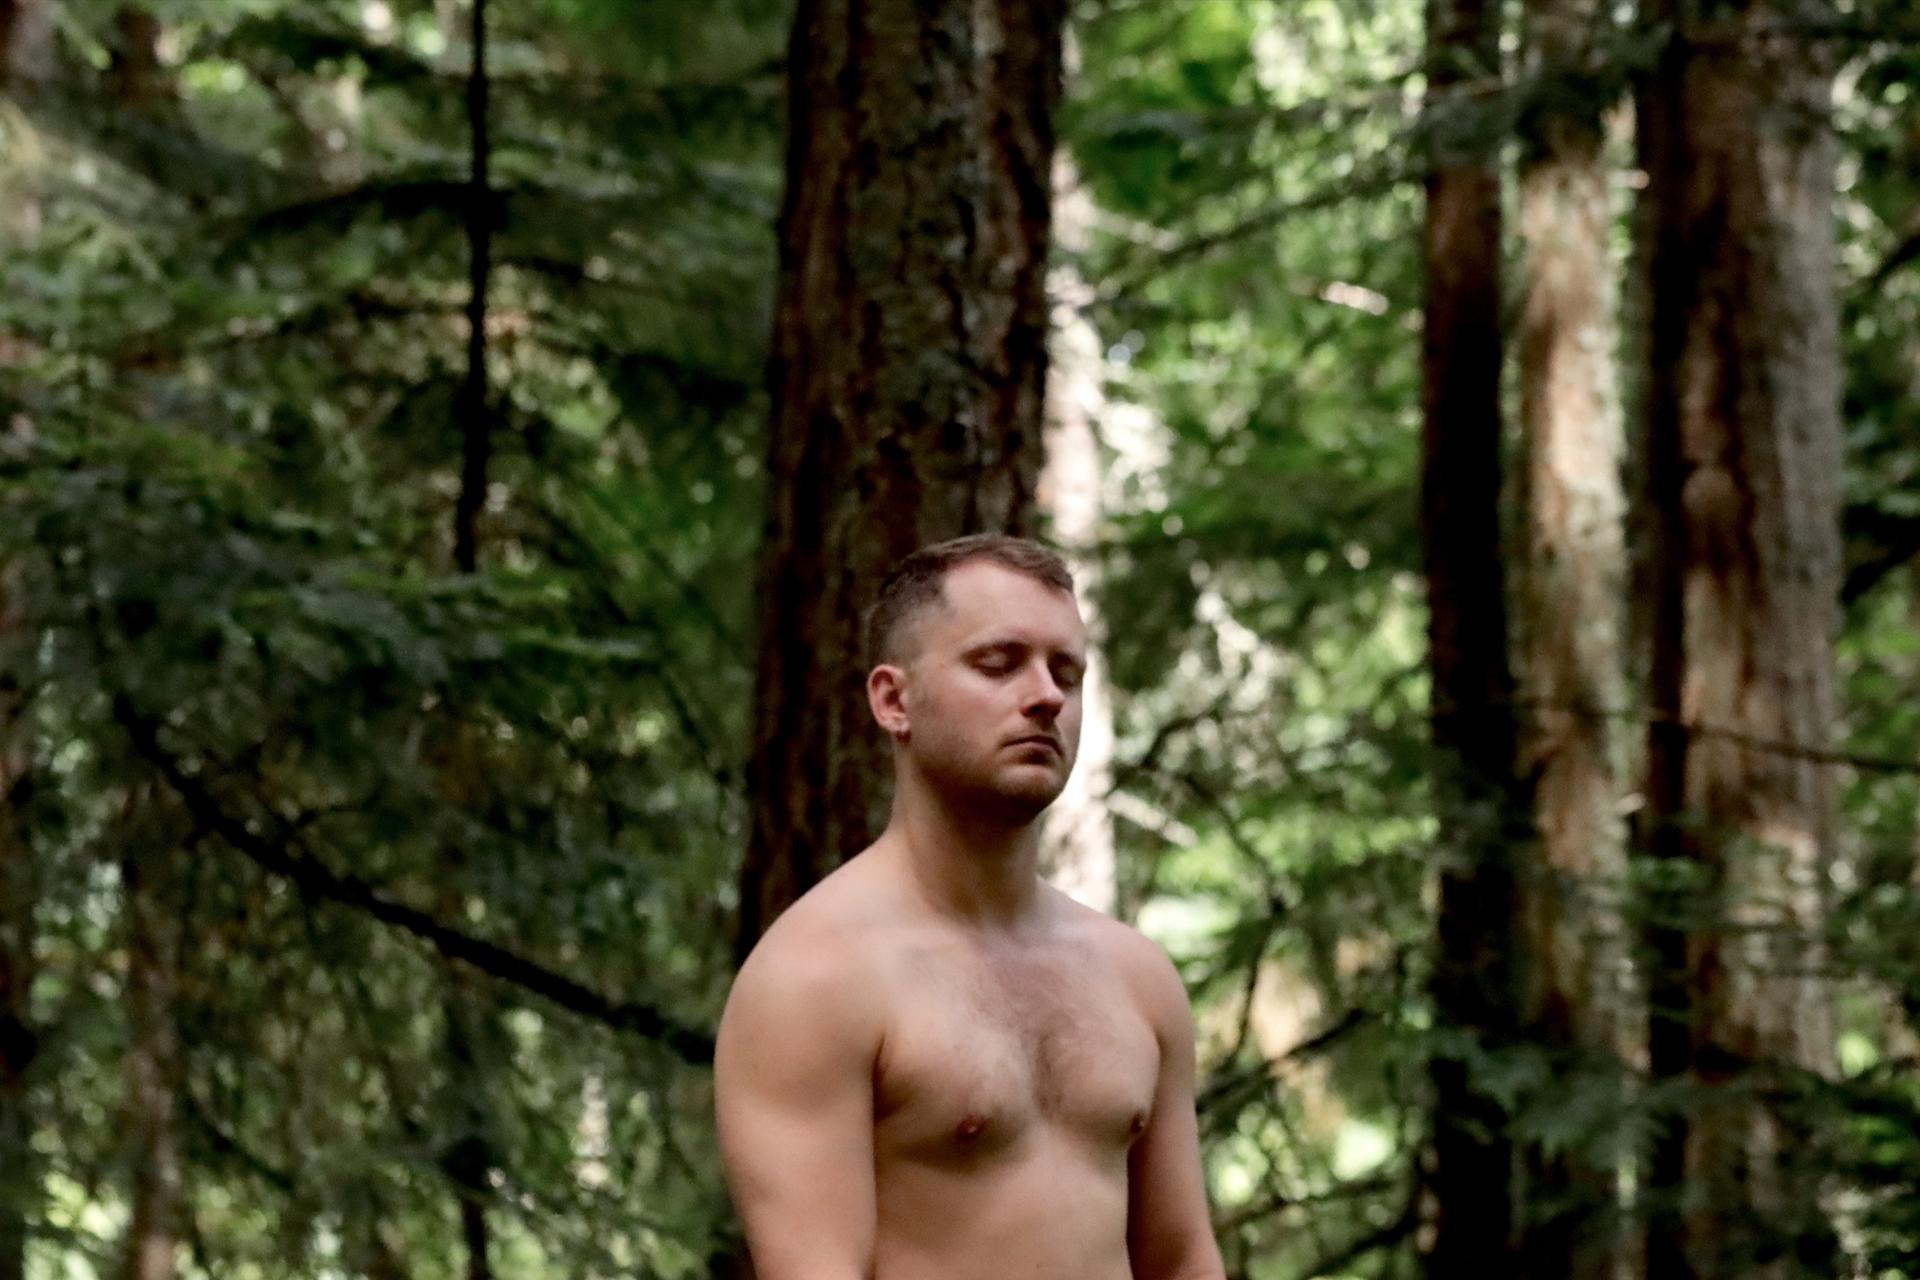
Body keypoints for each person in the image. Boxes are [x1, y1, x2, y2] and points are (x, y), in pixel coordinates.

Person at [714, 534, 1225, 1280]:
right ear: (894, 701)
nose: (1046, 696)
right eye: (998, 663)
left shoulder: (1137, 978)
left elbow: (1180, 1261)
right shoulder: (816, 978)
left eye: (1066, 672)